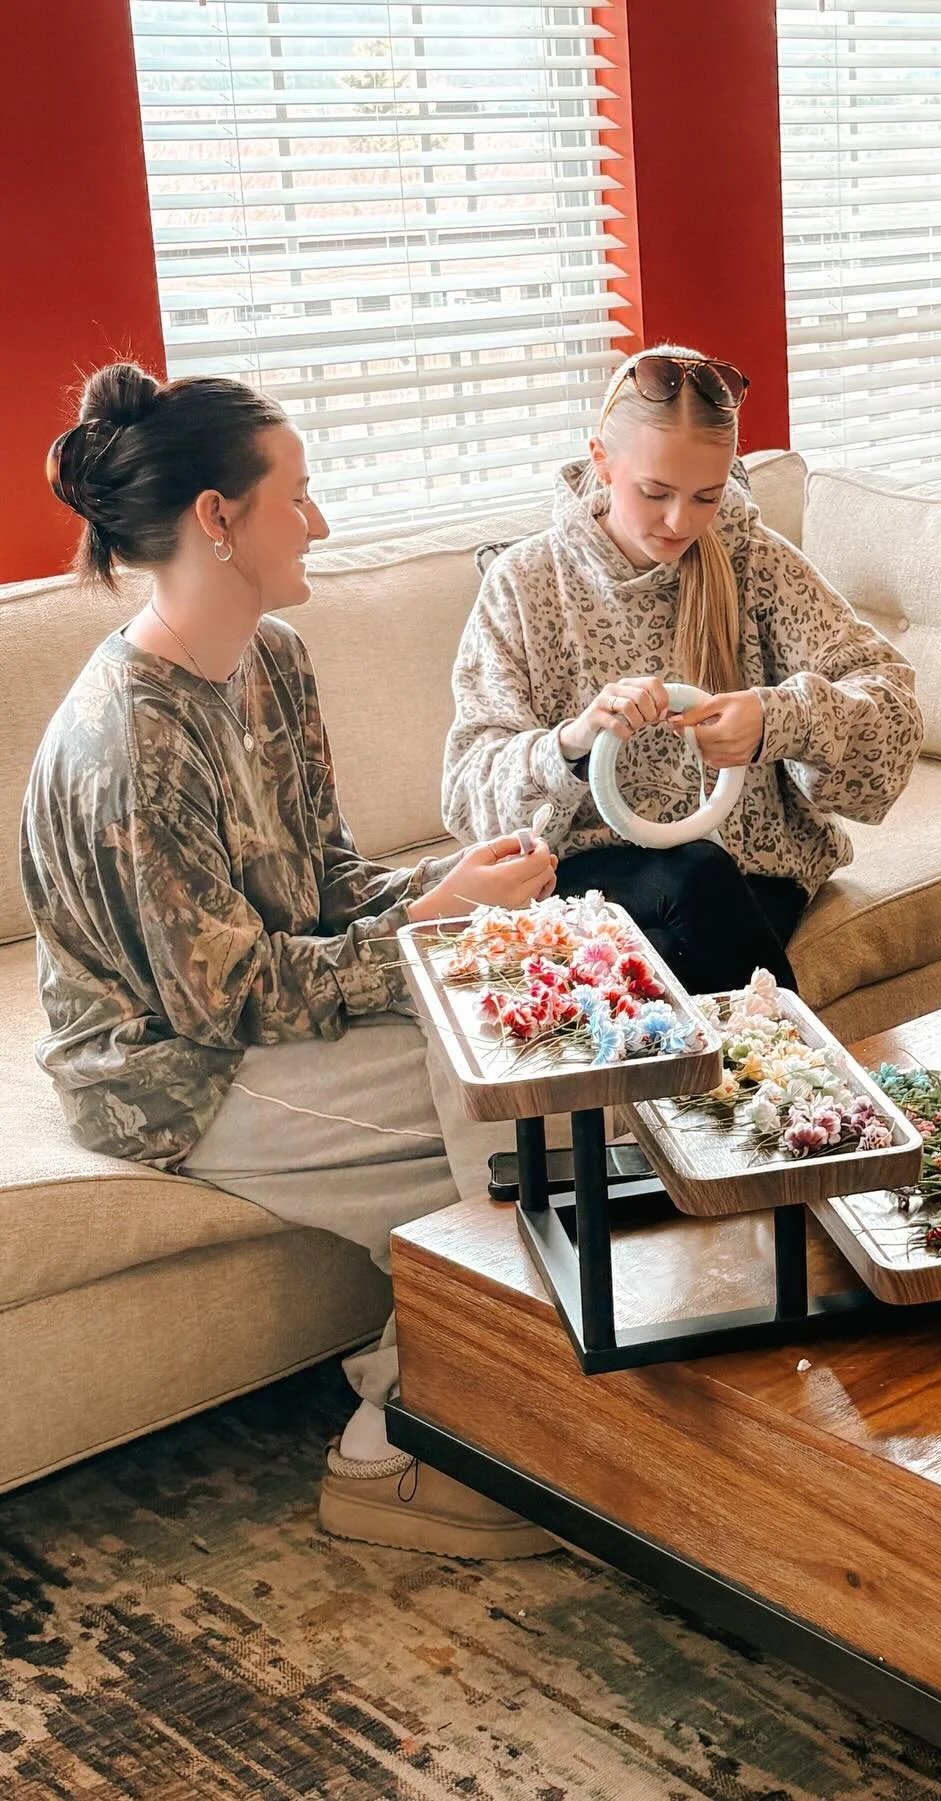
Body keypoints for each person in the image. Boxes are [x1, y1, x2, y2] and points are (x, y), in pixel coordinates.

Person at [23, 363, 559, 1561]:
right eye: (297, 497)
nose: (319, 522)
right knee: (505, 1103)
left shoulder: (272, 661)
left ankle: (511, 1403)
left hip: (251, 1014)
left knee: (521, 1042)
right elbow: (222, 1000)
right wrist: (427, 931)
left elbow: (325, 887)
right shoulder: (132, 739)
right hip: (165, 1076)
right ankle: (401, 1450)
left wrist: (451, 884)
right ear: (220, 519)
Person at [443, 346, 924, 995]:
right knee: (678, 909)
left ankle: (755, 1087)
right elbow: (469, 788)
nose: (680, 522)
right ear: (601, 460)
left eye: (706, 495)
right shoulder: (525, 585)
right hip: (590, 871)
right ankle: (793, 1086)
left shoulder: (753, 562)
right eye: (655, 492)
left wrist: (775, 720)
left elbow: (889, 702)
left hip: (748, 874)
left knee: (688, 900)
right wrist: (572, 745)